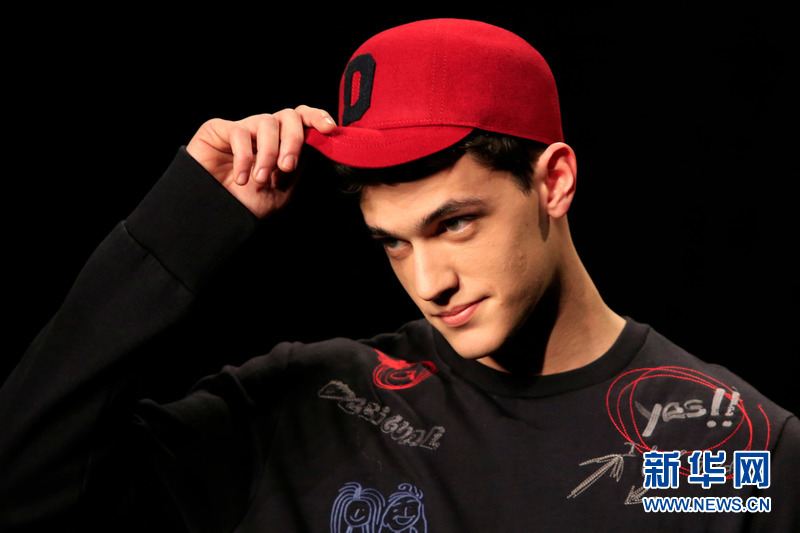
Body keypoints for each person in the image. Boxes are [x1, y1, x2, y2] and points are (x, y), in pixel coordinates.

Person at [1, 18, 797, 533]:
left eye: (455, 224)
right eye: (391, 242)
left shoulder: (729, 450)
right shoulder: (310, 407)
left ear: (553, 181)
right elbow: (25, 486)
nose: (428, 280)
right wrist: (179, 227)